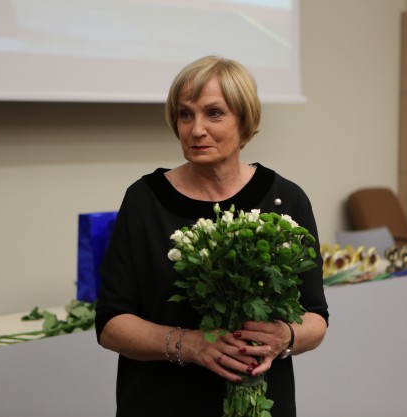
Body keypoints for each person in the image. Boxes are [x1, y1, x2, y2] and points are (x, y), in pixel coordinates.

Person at [96, 55, 329, 417]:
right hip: (161, 404)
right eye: (185, 114)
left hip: (260, 406)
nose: (196, 129)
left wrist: (284, 337)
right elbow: (111, 324)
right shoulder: (144, 200)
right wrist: (190, 344)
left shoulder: (286, 199)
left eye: (214, 113)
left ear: (244, 119)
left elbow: (315, 316)